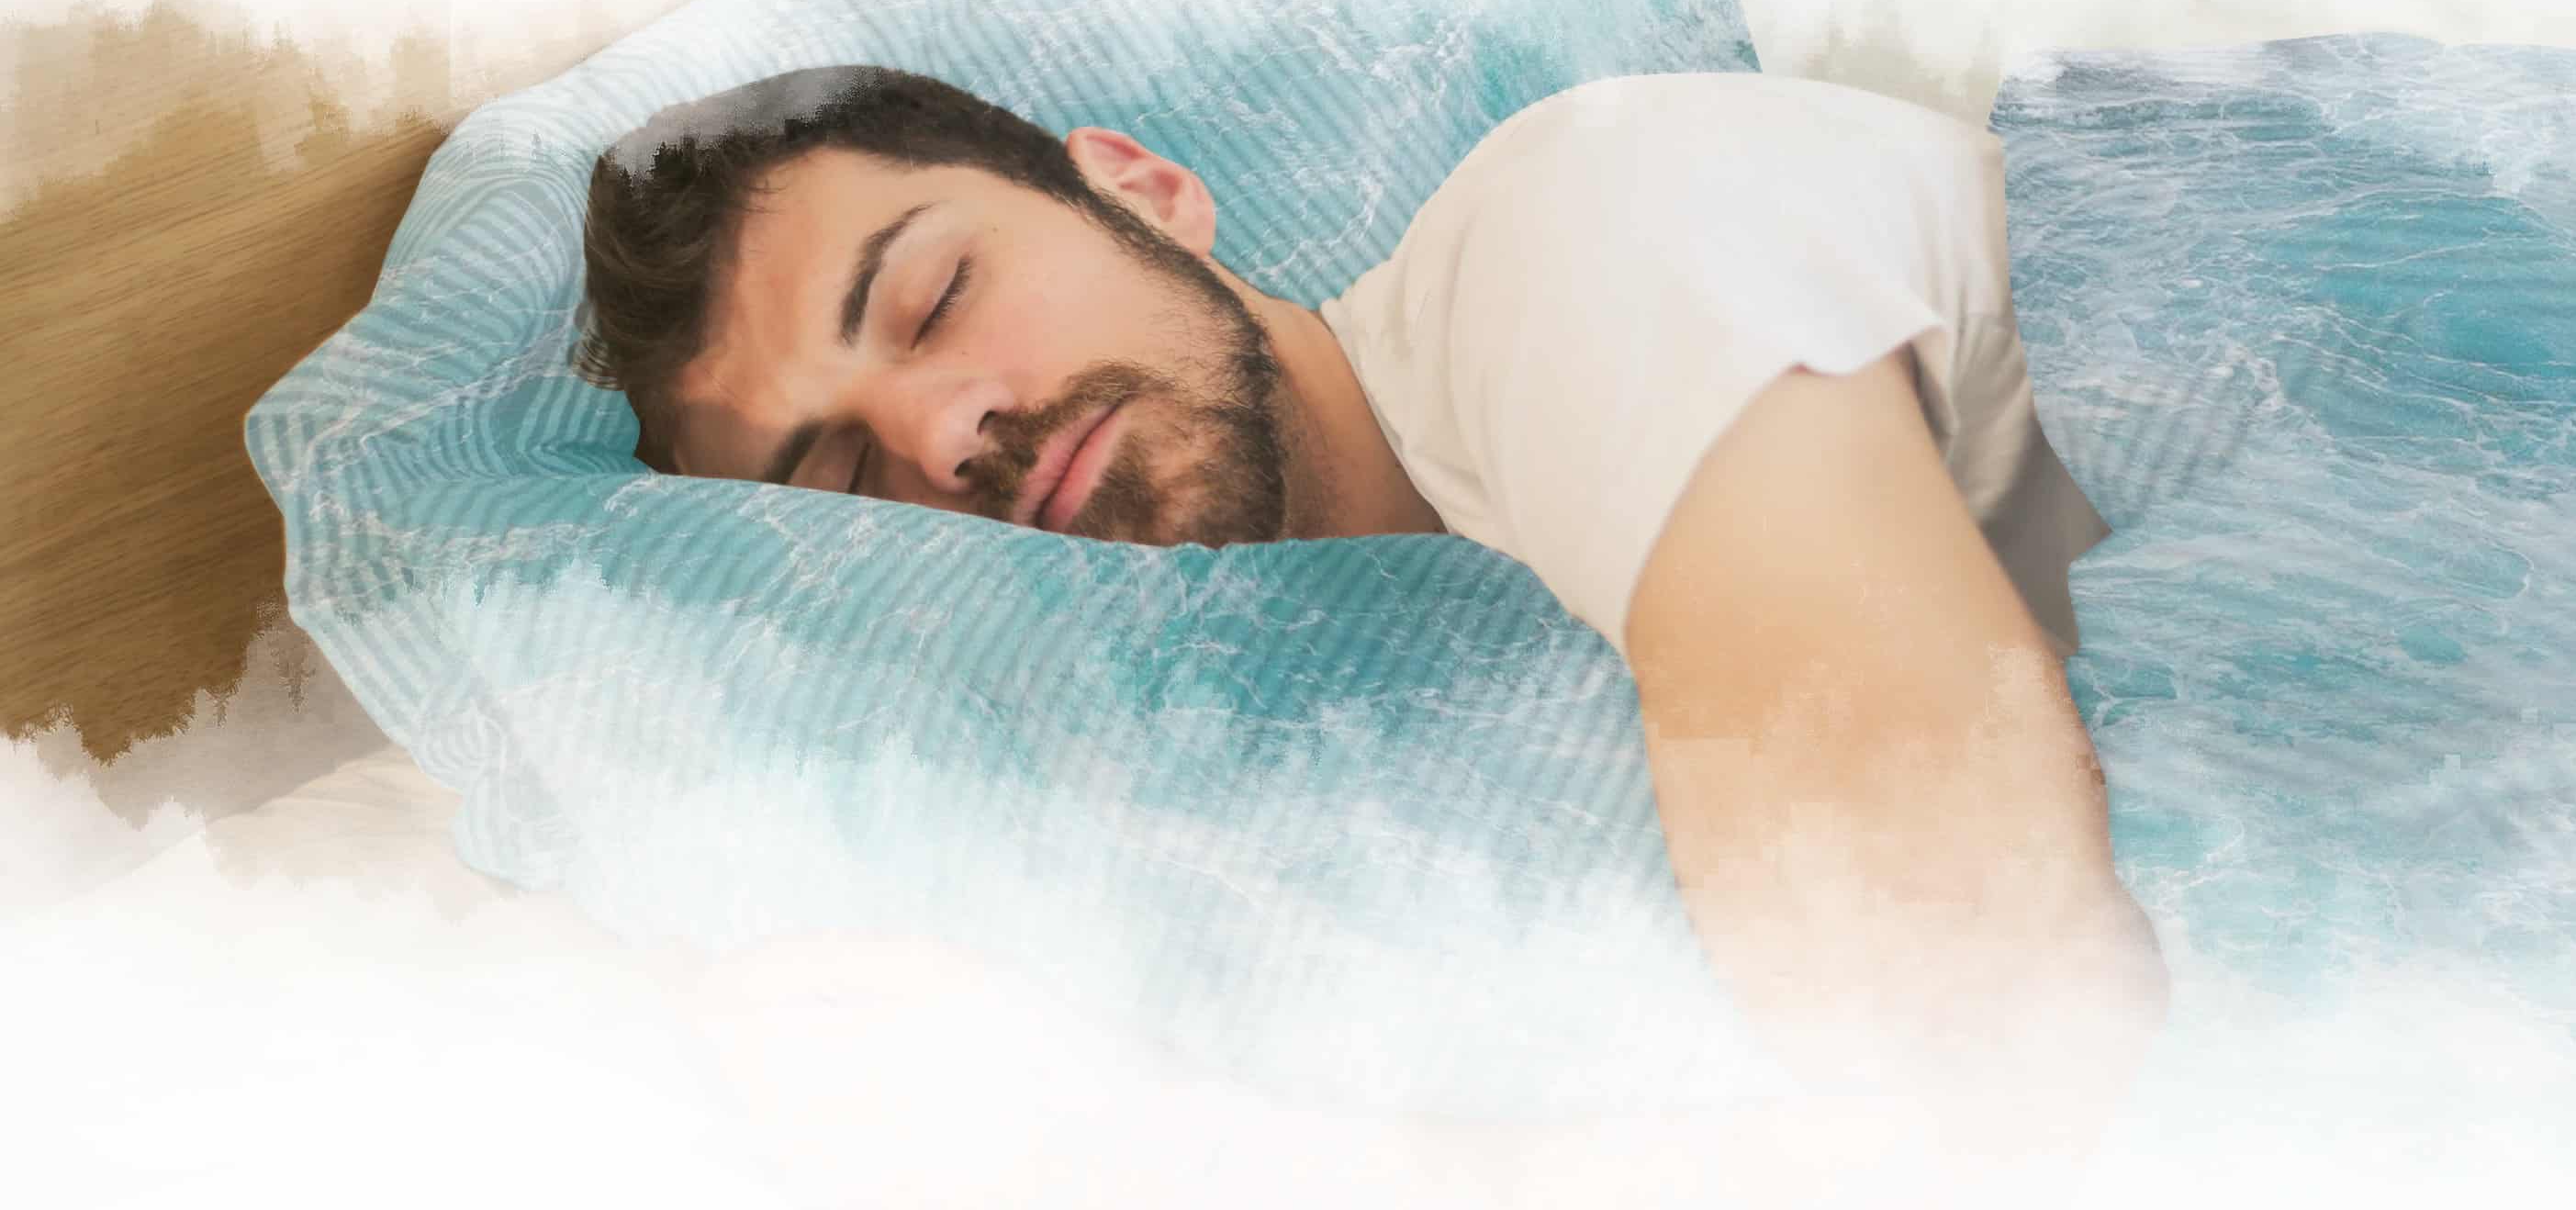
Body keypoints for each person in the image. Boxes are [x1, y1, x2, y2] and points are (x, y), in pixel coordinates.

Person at [573, 64, 2168, 1182]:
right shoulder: (1260, 789)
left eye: (931, 302)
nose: (945, 433)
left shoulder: (1584, 232)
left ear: (1139, 190)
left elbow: (1968, 991)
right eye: (851, 478)